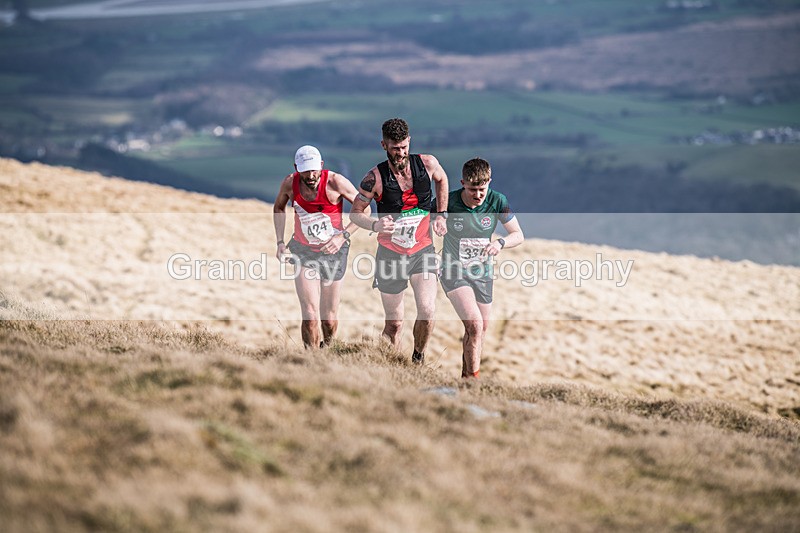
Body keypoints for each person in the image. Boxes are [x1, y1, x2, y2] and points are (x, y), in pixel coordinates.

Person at [349, 118, 449, 364]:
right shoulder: (374, 178)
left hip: (422, 251)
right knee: (394, 323)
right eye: (395, 148)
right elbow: (355, 214)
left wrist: (441, 214)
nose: (401, 153)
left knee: (427, 310)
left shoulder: (427, 164)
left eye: (404, 147)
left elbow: (442, 180)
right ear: (384, 145)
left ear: (409, 142)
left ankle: (417, 359)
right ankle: (390, 367)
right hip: (391, 254)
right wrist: (375, 225)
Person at [440, 157, 524, 378]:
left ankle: (466, 380)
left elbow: (518, 235)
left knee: (480, 329)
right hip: (453, 270)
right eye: (472, 189)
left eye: (482, 190)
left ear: (489, 183)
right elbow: (426, 218)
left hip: (482, 274)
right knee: (475, 324)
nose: (478, 195)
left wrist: (500, 243)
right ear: (463, 184)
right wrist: (436, 222)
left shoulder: (497, 200)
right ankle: (474, 383)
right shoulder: (449, 200)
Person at [273, 145, 363, 348]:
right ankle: (311, 359)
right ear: (297, 168)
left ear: (321, 165)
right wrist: (280, 242)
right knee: (310, 316)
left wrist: (342, 236)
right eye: (305, 171)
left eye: (314, 170)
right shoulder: (290, 183)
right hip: (303, 252)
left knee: (328, 319)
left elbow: (363, 210)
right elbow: (279, 207)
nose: (311, 175)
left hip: (334, 253)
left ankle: (328, 349)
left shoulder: (336, 182)